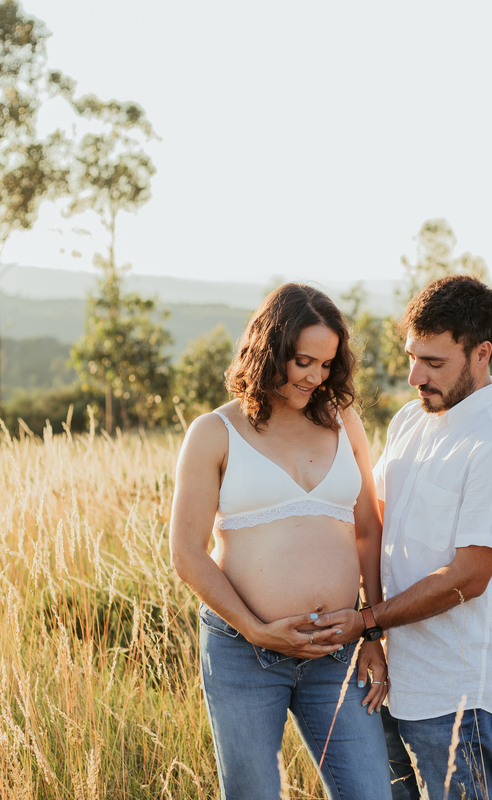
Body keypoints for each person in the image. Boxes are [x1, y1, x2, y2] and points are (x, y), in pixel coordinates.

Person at [315, 275, 492, 800]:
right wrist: (373, 638)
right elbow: (377, 528)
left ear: (481, 353)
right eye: (412, 357)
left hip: (457, 694)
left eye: (434, 363)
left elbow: (468, 577)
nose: (415, 375)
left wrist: (367, 620)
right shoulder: (409, 422)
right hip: (391, 680)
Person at [168, 283, 392, 800]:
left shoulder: (343, 422)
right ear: (270, 351)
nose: (316, 377)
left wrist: (373, 632)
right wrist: (257, 629)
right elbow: (187, 553)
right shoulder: (213, 432)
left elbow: (368, 529)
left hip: (338, 651)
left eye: (327, 364)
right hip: (244, 653)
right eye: (303, 361)